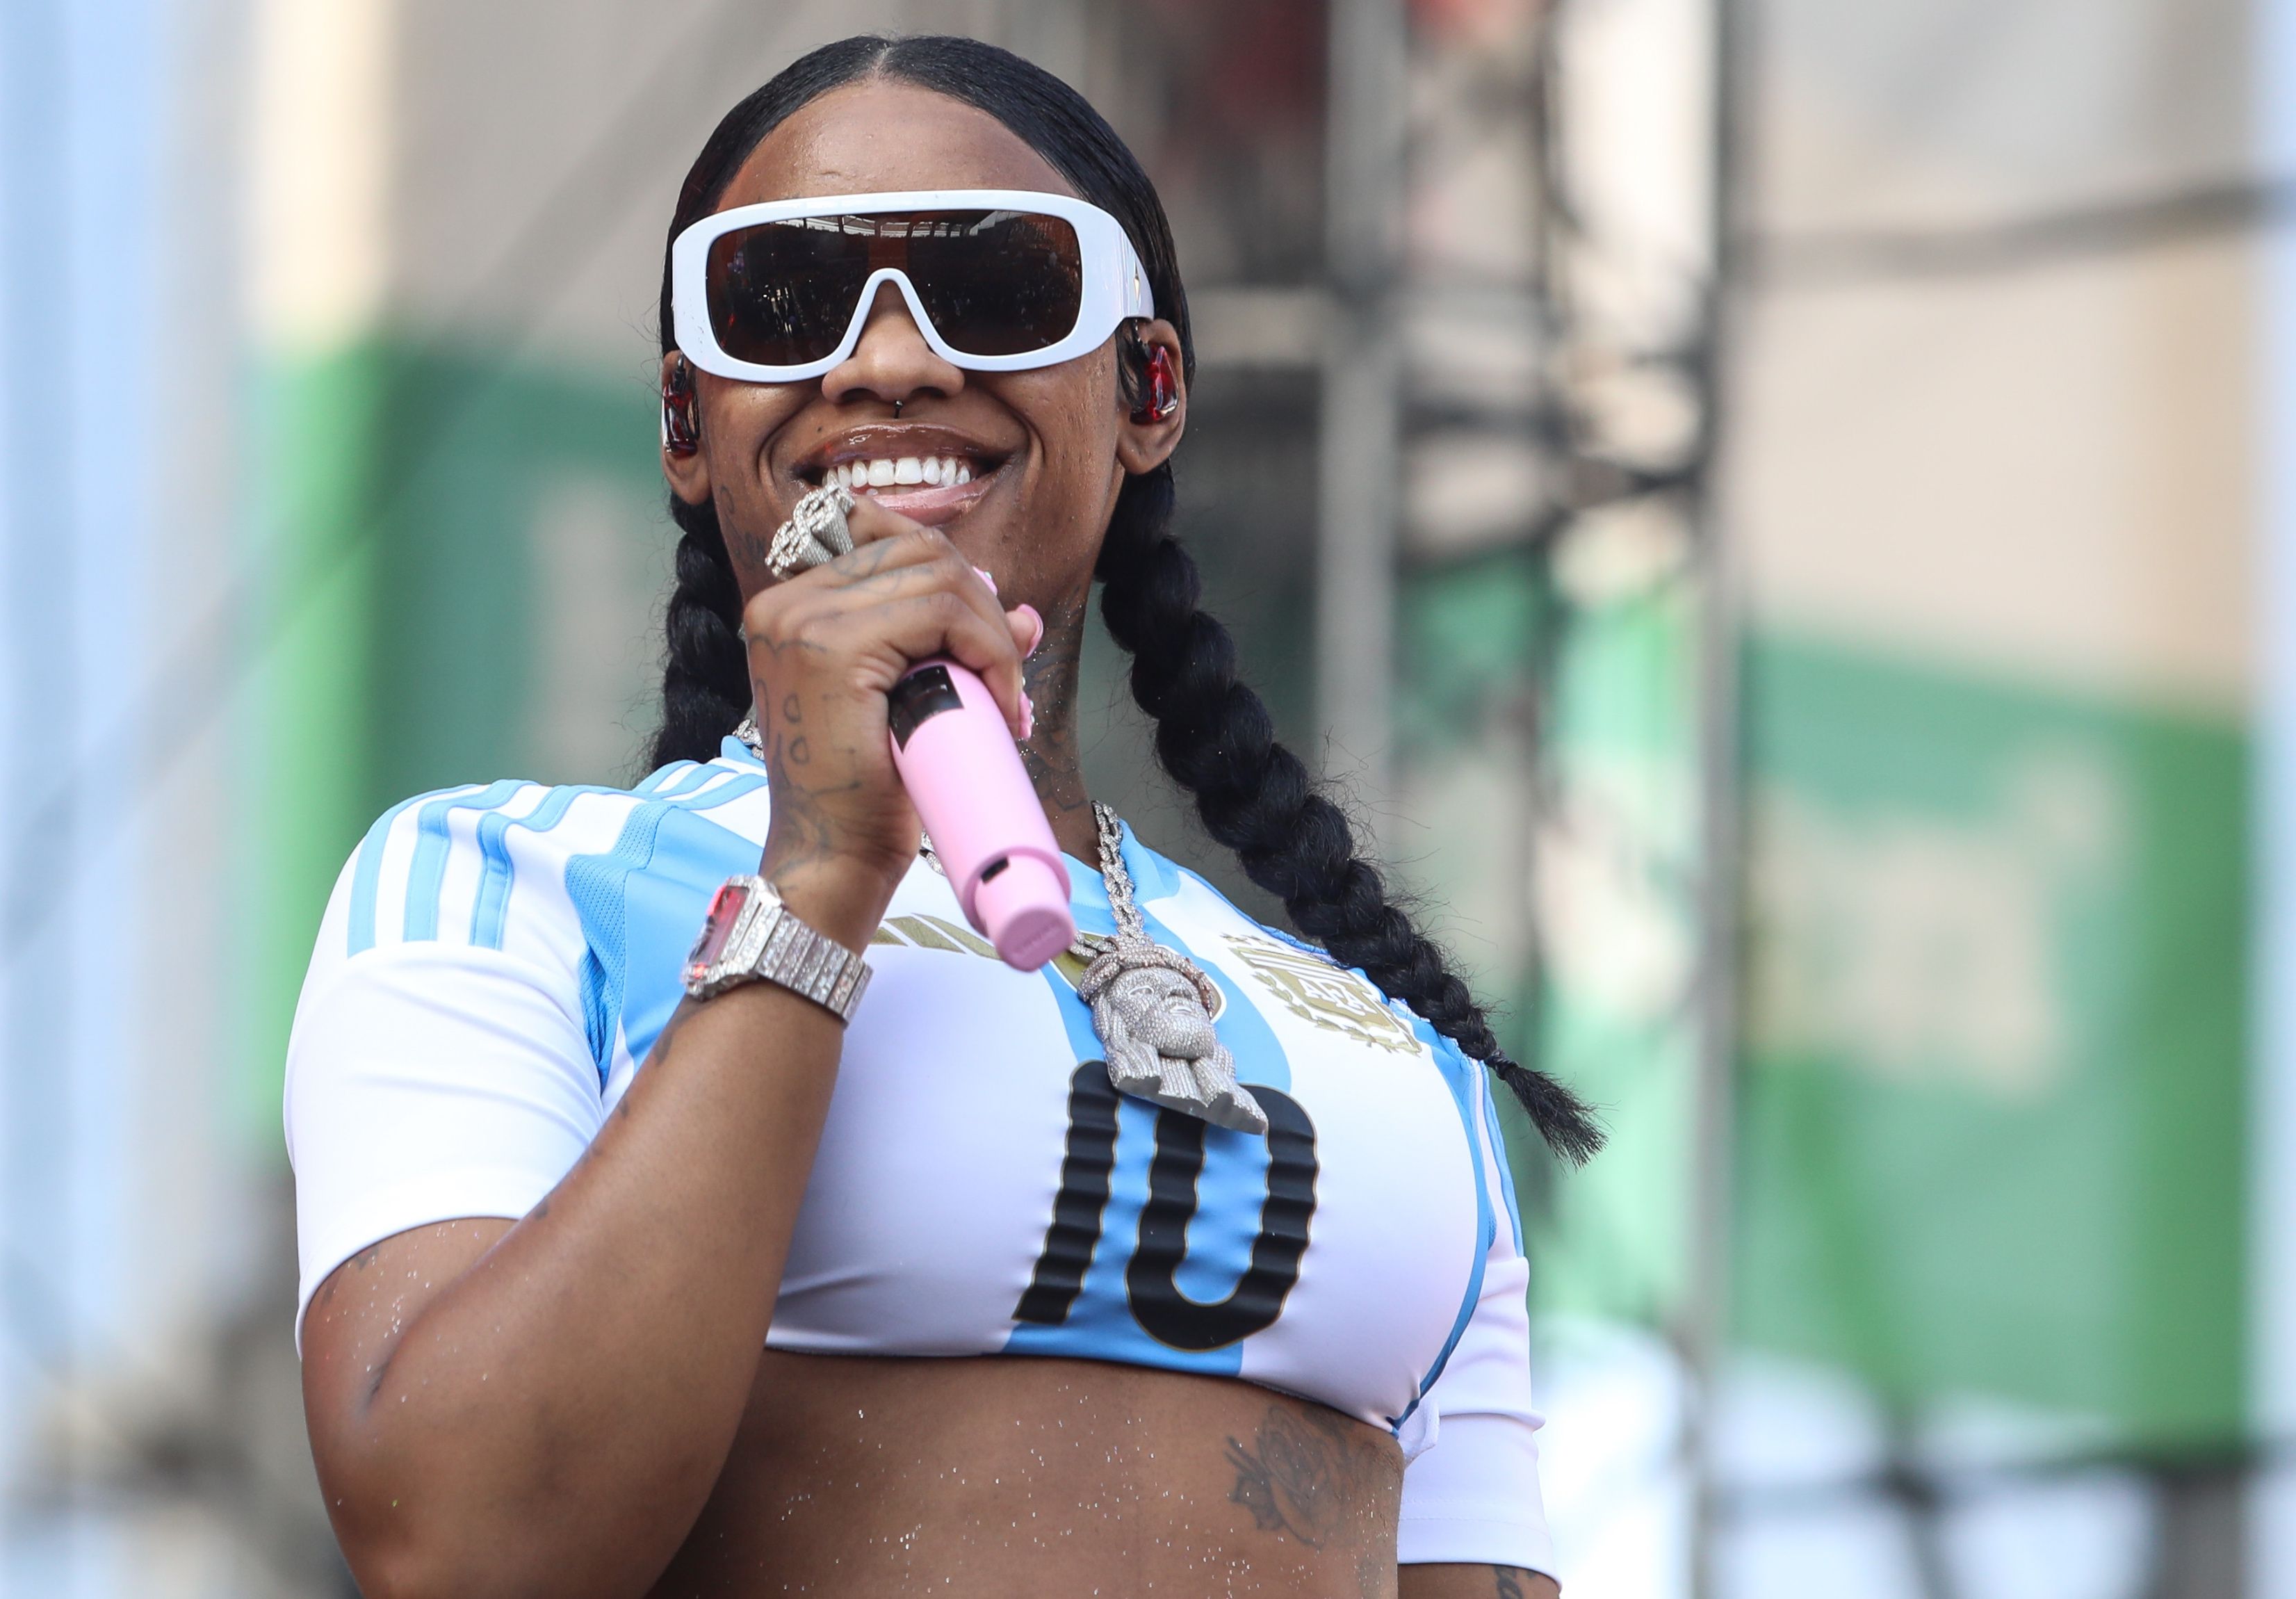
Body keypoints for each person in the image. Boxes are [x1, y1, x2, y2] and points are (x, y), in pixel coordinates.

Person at [287, 33, 1599, 1599]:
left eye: (995, 286)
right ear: (686, 424)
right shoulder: (501, 891)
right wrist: (819, 879)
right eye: (786, 300)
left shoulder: (1394, 1055)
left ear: (1150, 389)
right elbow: (466, 1543)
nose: (890, 361)